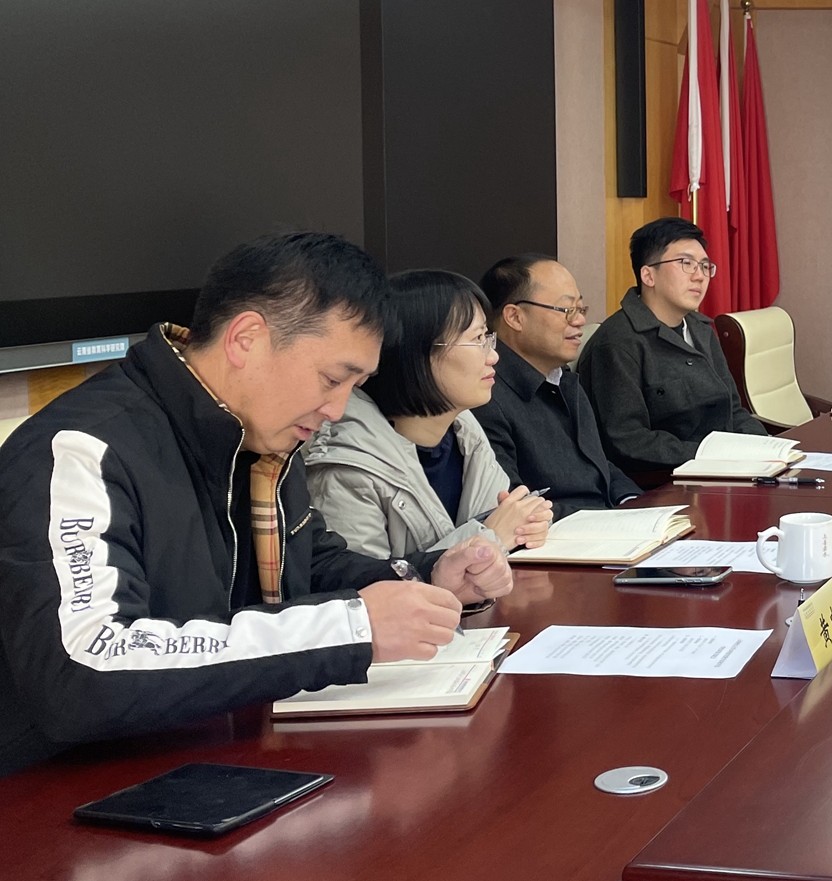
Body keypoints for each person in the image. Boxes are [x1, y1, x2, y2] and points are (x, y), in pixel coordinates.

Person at [0, 233, 513, 777]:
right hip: (74, 789)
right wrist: (349, 630)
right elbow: (86, 666)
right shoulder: (80, 450)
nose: (337, 408)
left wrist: (424, 577)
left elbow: (311, 564)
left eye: (356, 385)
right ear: (246, 339)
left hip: (218, 760)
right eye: (332, 378)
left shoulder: (261, 436)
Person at [306, 270, 551, 557]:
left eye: (488, 337)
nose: (493, 355)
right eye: (477, 339)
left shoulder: (466, 433)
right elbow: (366, 581)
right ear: (417, 354)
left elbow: (500, 527)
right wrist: (491, 538)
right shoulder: (348, 465)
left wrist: (523, 529)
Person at [578, 218, 767, 476]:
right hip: (667, 482)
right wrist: (716, 456)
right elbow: (628, 443)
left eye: (704, 266)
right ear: (648, 275)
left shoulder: (701, 330)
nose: (699, 276)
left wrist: (767, 449)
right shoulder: (617, 343)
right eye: (686, 263)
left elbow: (733, 410)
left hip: (726, 470)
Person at [473, 253, 641, 513]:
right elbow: (514, 506)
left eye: (580, 309)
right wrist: (609, 521)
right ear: (515, 317)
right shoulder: (485, 395)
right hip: (563, 532)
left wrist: (634, 502)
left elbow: (599, 466)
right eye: (566, 310)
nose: (579, 320)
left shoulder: (564, 379)